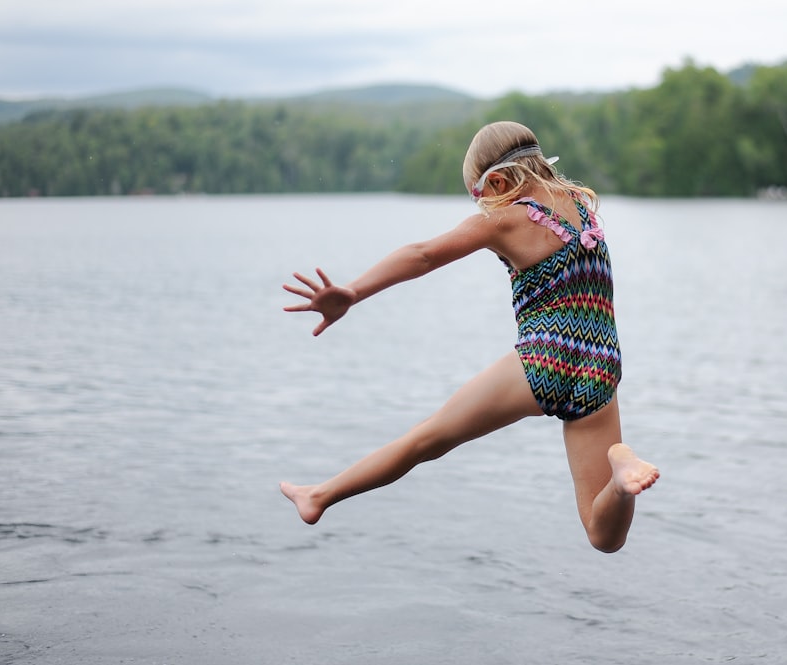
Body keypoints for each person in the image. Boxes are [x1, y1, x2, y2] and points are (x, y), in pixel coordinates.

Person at [280, 121, 659, 553]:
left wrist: (352, 292)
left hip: (544, 360)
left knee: (426, 440)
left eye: (479, 197)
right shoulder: (581, 204)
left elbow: (421, 255)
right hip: (601, 368)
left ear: (496, 181)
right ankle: (620, 475)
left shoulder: (506, 220)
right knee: (603, 534)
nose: (482, 207)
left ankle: (319, 495)